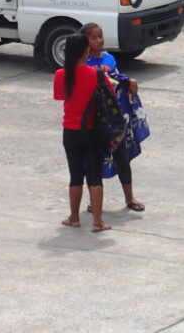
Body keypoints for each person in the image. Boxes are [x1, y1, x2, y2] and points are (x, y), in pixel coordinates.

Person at [81, 22, 145, 212]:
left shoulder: (109, 58)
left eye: (100, 36)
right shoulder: (82, 64)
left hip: (114, 119)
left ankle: (129, 197)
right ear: (85, 42)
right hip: (94, 120)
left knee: (122, 157)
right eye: (94, 38)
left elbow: (116, 78)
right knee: (93, 162)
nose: (99, 40)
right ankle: (94, 201)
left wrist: (129, 81)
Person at [53, 32, 110, 232]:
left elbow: (60, 96)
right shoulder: (97, 73)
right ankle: (97, 222)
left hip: (70, 130)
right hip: (94, 130)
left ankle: (74, 217)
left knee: (75, 175)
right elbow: (110, 95)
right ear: (87, 50)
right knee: (95, 176)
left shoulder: (61, 75)